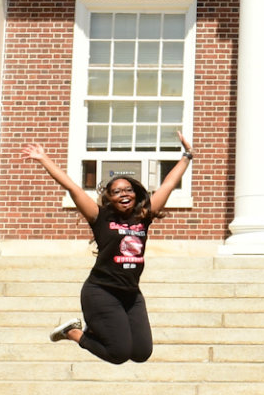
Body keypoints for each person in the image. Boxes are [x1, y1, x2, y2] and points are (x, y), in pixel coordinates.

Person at [26, 134, 191, 366]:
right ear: (110, 198)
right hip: (101, 292)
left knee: (142, 353)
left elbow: (168, 184)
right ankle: (74, 333)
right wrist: (44, 159)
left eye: (128, 190)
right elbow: (72, 187)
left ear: (135, 194)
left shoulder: (144, 216)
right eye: (117, 192)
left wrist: (187, 156)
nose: (124, 194)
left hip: (131, 294)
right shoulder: (99, 216)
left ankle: (95, 329)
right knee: (119, 354)